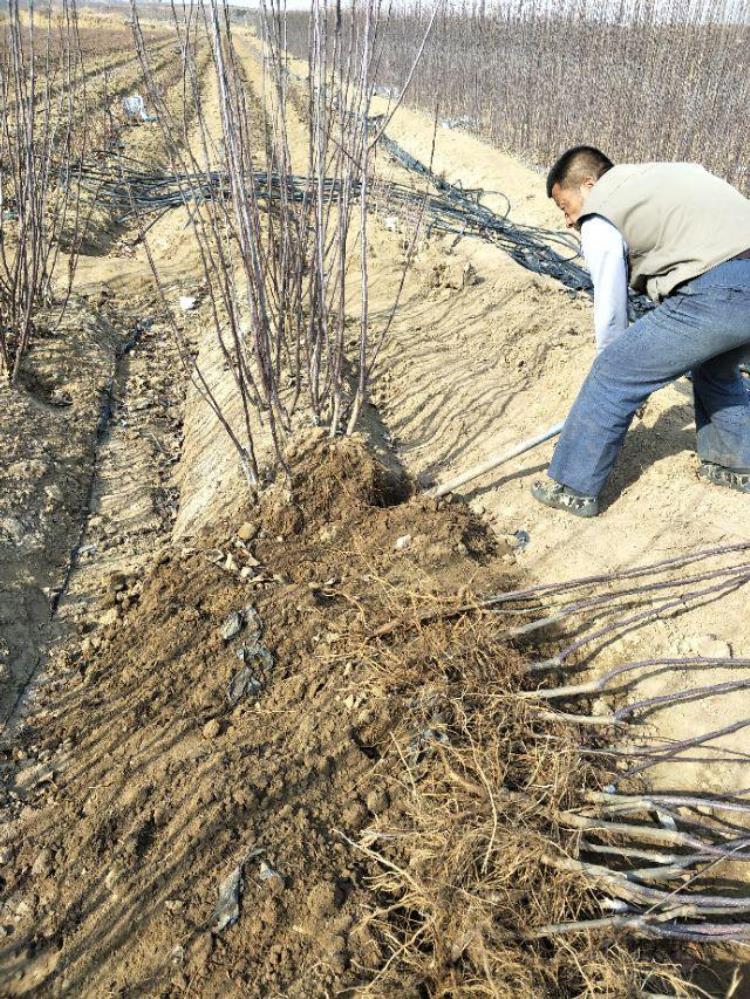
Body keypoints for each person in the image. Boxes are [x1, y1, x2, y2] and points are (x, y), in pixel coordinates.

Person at [530, 146, 750, 517]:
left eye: (564, 206)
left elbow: (610, 301)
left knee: (614, 371)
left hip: (718, 290)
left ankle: (573, 486)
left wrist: (617, 360)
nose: (567, 221)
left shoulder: (601, 210)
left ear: (588, 184)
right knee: (716, 368)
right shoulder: (663, 174)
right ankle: (735, 464)